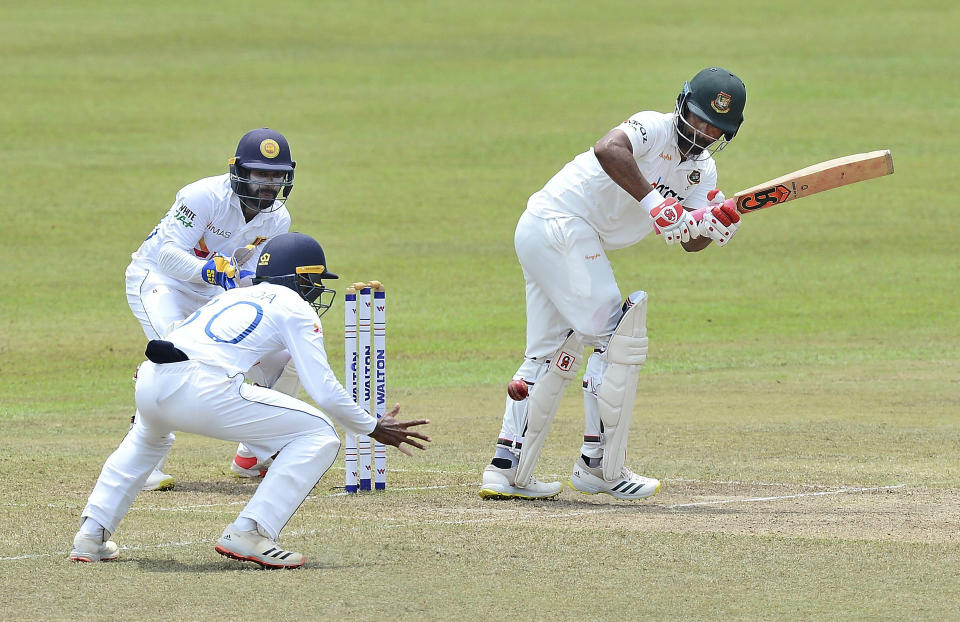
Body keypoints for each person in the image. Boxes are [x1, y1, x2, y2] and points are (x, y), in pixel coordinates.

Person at [70, 232, 431, 568]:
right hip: (203, 387)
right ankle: (251, 532)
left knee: (145, 441)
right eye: (312, 279)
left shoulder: (232, 296)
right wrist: (372, 426)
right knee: (319, 433)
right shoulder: (294, 307)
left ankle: (91, 535)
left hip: (152, 377)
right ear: (293, 277)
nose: (316, 289)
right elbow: (323, 390)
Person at [478, 67, 746, 501]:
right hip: (561, 223)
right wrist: (657, 202)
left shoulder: (702, 172)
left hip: (551, 234)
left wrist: (712, 227)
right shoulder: (652, 128)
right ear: (681, 106)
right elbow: (609, 149)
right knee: (616, 336)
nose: (702, 133)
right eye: (697, 119)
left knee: (548, 351)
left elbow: (689, 239)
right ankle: (598, 466)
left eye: (715, 129)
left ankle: (505, 470)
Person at [125, 128, 300, 491]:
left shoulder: (278, 218)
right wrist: (205, 270)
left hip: (216, 290)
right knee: (176, 355)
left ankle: (253, 453)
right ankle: (141, 464)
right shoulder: (202, 196)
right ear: (240, 170)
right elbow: (166, 255)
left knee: (284, 357)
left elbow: (249, 273)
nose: (270, 183)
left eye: (277, 174)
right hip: (161, 281)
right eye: (261, 173)